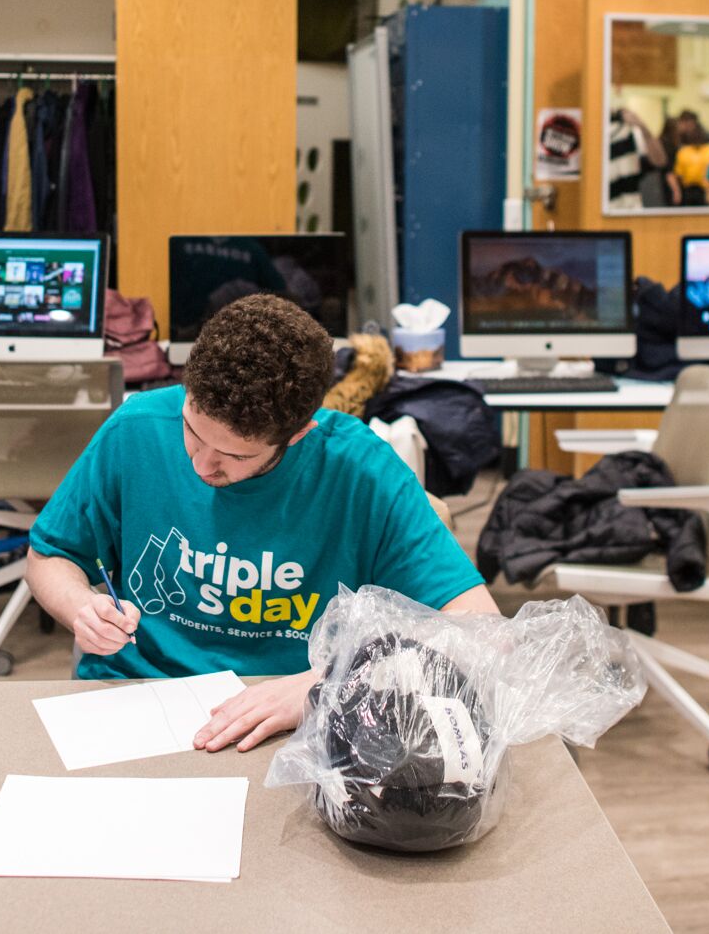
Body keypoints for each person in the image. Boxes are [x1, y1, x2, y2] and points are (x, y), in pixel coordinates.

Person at [26, 294, 500, 754]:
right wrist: (80, 606)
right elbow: (49, 555)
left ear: (298, 434)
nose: (201, 466)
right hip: (135, 701)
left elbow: (481, 628)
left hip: (289, 721)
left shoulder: (361, 470)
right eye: (191, 430)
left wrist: (327, 684)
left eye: (234, 454)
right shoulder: (137, 427)